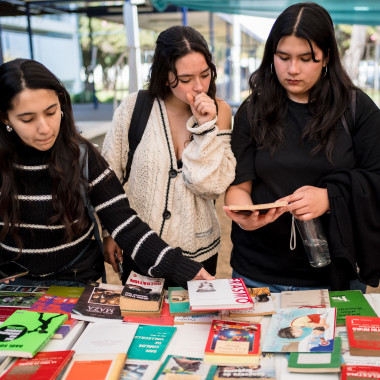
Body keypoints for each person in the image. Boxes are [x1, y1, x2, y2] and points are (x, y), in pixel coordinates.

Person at [0, 58, 214, 288]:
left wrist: (181, 268)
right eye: (27, 119)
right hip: (12, 287)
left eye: (51, 112)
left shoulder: (82, 156)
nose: (44, 128)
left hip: (76, 283)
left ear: (61, 103)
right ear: (5, 117)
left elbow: (126, 224)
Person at [224, 2, 380, 292]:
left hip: (334, 277)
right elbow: (239, 184)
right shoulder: (252, 111)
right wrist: (245, 215)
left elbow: (376, 179)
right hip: (257, 274)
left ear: (326, 57)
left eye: (306, 58)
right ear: (272, 55)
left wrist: (330, 198)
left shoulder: (357, 110)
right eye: (283, 57)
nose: (292, 69)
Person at [102, 25, 236, 283]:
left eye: (205, 75)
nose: (199, 87)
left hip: (198, 253)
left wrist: (206, 128)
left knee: (192, 321)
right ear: (165, 76)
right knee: (140, 320)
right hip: (141, 247)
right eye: (186, 79)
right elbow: (109, 176)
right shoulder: (135, 108)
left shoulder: (220, 112)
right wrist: (110, 232)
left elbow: (210, 186)